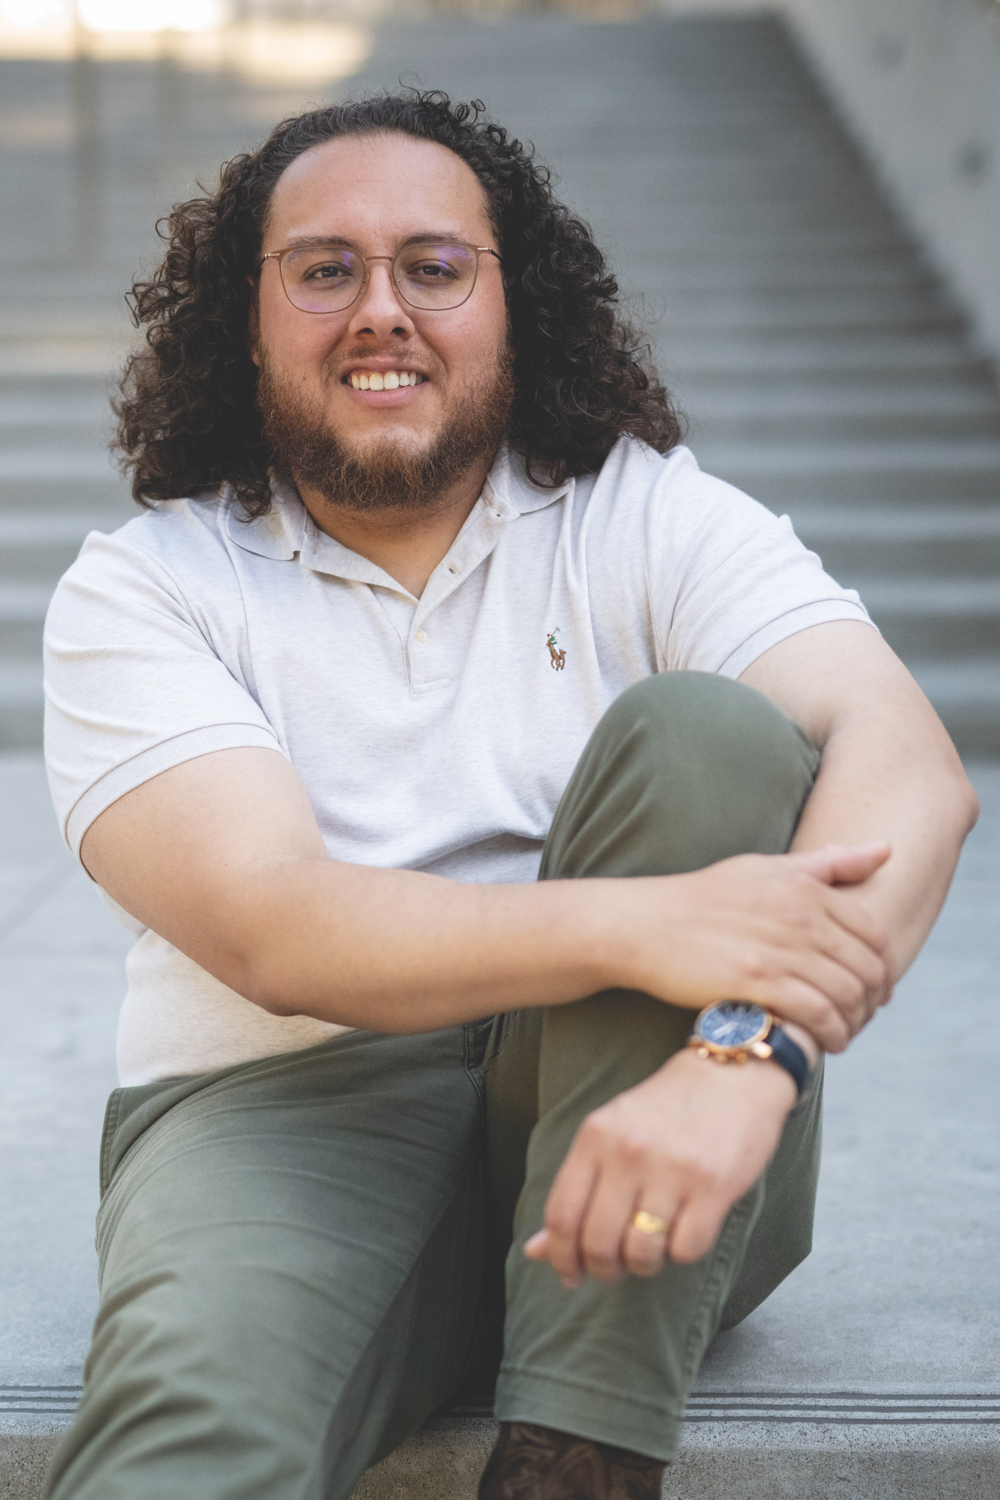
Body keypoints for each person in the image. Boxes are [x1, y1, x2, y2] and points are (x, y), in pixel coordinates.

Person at [42, 91, 976, 1500]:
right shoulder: (150, 586)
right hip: (281, 1117)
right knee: (180, 1452)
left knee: (705, 737)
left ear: (509, 304)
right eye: (323, 268)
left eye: (433, 265)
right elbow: (273, 928)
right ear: (246, 319)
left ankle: (576, 1456)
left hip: (655, 1087)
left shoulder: (638, 513)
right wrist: (637, 928)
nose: (380, 310)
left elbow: (907, 758)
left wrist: (744, 1052)